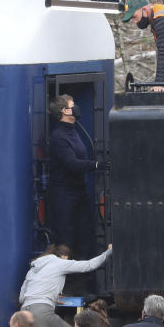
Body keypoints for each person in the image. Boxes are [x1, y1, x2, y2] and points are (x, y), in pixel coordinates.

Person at [20, 243, 112, 327]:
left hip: (24, 313)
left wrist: (51, 296)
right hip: (43, 312)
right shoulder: (59, 263)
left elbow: (22, 297)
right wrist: (108, 252)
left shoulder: (33, 269)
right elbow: (89, 265)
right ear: (64, 257)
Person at [46, 94, 102, 259]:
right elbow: (72, 163)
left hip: (79, 192)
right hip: (64, 196)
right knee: (67, 239)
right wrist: (96, 165)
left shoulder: (73, 131)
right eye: (73, 105)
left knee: (85, 237)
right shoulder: (58, 137)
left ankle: (84, 278)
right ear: (65, 111)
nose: (76, 108)